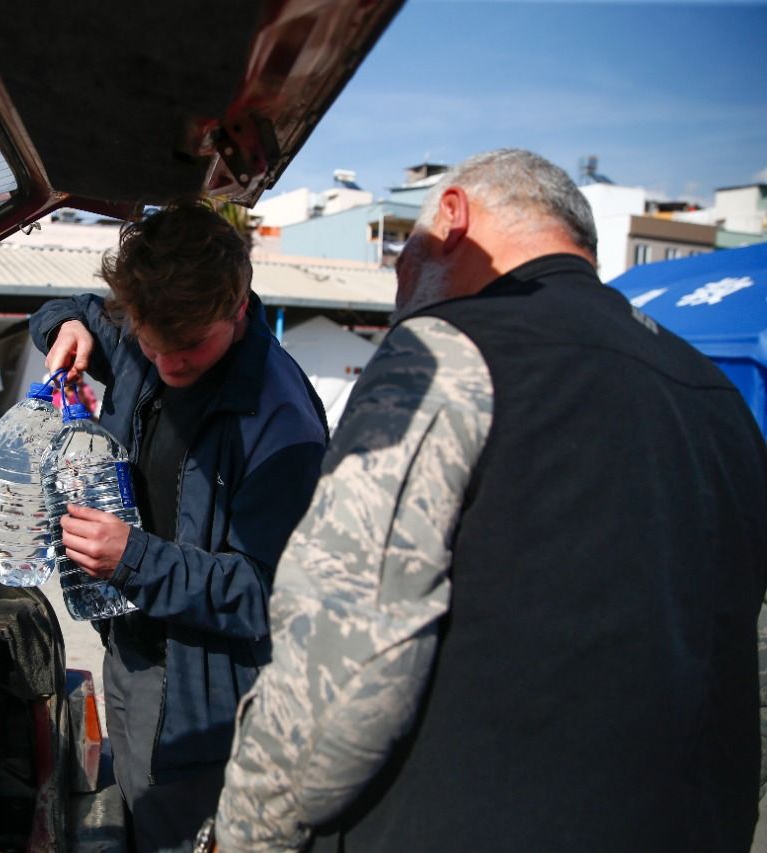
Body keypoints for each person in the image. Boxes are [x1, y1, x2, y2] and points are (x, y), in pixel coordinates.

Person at [210, 149, 767, 852]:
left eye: (404, 255)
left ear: (452, 217)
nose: (399, 281)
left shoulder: (443, 355)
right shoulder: (719, 400)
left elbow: (342, 663)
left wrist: (242, 836)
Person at [29, 203, 329, 851]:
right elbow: (68, 308)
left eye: (189, 344)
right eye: (148, 340)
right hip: (131, 655)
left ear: (239, 304)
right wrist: (71, 325)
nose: (167, 363)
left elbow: (273, 594)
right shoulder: (149, 330)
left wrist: (134, 559)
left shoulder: (280, 422)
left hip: (210, 702)